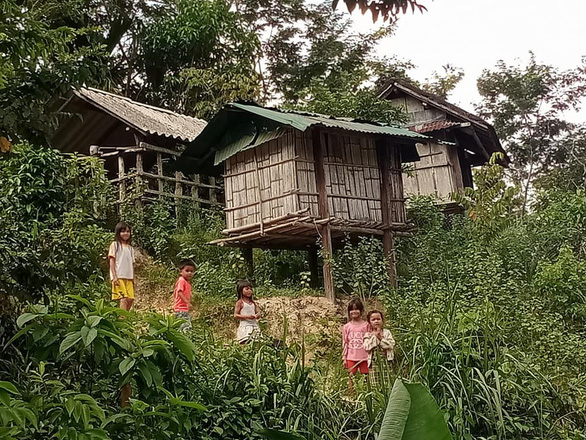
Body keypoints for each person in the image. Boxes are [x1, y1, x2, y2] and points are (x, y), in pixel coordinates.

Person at [363, 310, 396, 388]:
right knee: (375, 384)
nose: (376, 321)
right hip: (374, 363)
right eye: (373, 320)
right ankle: (377, 398)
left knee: (388, 383)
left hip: (386, 361)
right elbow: (366, 347)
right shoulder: (368, 335)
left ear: (382, 320)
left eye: (378, 319)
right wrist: (374, 336)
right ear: (369, 322)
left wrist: (380, 338)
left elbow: (391, 345)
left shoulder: (387, 333)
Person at [108, 222, 135, 311]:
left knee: (130, 298)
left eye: (128, 231)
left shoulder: (131, 249)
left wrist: (133, 278)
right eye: (123, 231)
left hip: (129, 277)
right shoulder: (115, 245)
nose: (126, 233)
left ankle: (124, 317)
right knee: (123, 299)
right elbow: (112, 260)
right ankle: (122, 320)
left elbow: (131, 264)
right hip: (119, 276)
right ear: (118, 233)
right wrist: (114, 276)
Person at [342, 298, 370, 382]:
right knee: (351, 376)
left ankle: (367, 393)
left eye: (356, 309)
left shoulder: (367, 325)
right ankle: (351, 394)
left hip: (365, 356)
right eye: (352, 310)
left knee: (366, 376)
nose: (354, 312)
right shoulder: (347, 326)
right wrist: (344, 357)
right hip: (351, 356)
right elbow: (345, 342)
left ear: (361, 310)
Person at [234, 280, 261, 344]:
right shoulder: (240, 302)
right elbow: (235, 315)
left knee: (257, 343)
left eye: (250, 289)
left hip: (254, 325)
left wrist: (257, 315)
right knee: (246, 343)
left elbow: (258, 312)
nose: (249, 291)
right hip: (245, 326)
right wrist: (247, 317)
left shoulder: (253, 303)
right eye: (247, 289)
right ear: (241, 290)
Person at [174, 259, 196, 332]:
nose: (189, 273)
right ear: (181, 272)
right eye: (187, 271)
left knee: (183, 325)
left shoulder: (187, 282)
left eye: (192, 271)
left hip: (184, 309)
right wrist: (187, 302)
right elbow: (179, 292)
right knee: (186, 326)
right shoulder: (181, 280)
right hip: (181, 308)